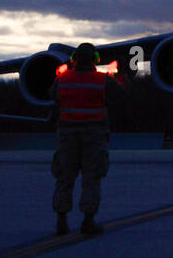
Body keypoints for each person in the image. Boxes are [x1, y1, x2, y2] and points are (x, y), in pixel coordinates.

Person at [48, 42, 128, 236]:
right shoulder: (102, 80)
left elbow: (52, 95)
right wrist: (122, 75)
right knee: (91, 177)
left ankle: (61, 220)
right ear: (95, 60)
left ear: (74, 59)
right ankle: (88, 220)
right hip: (94, 134)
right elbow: (120, 94)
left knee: (64, 177)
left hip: (67, 134)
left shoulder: (63, 79)